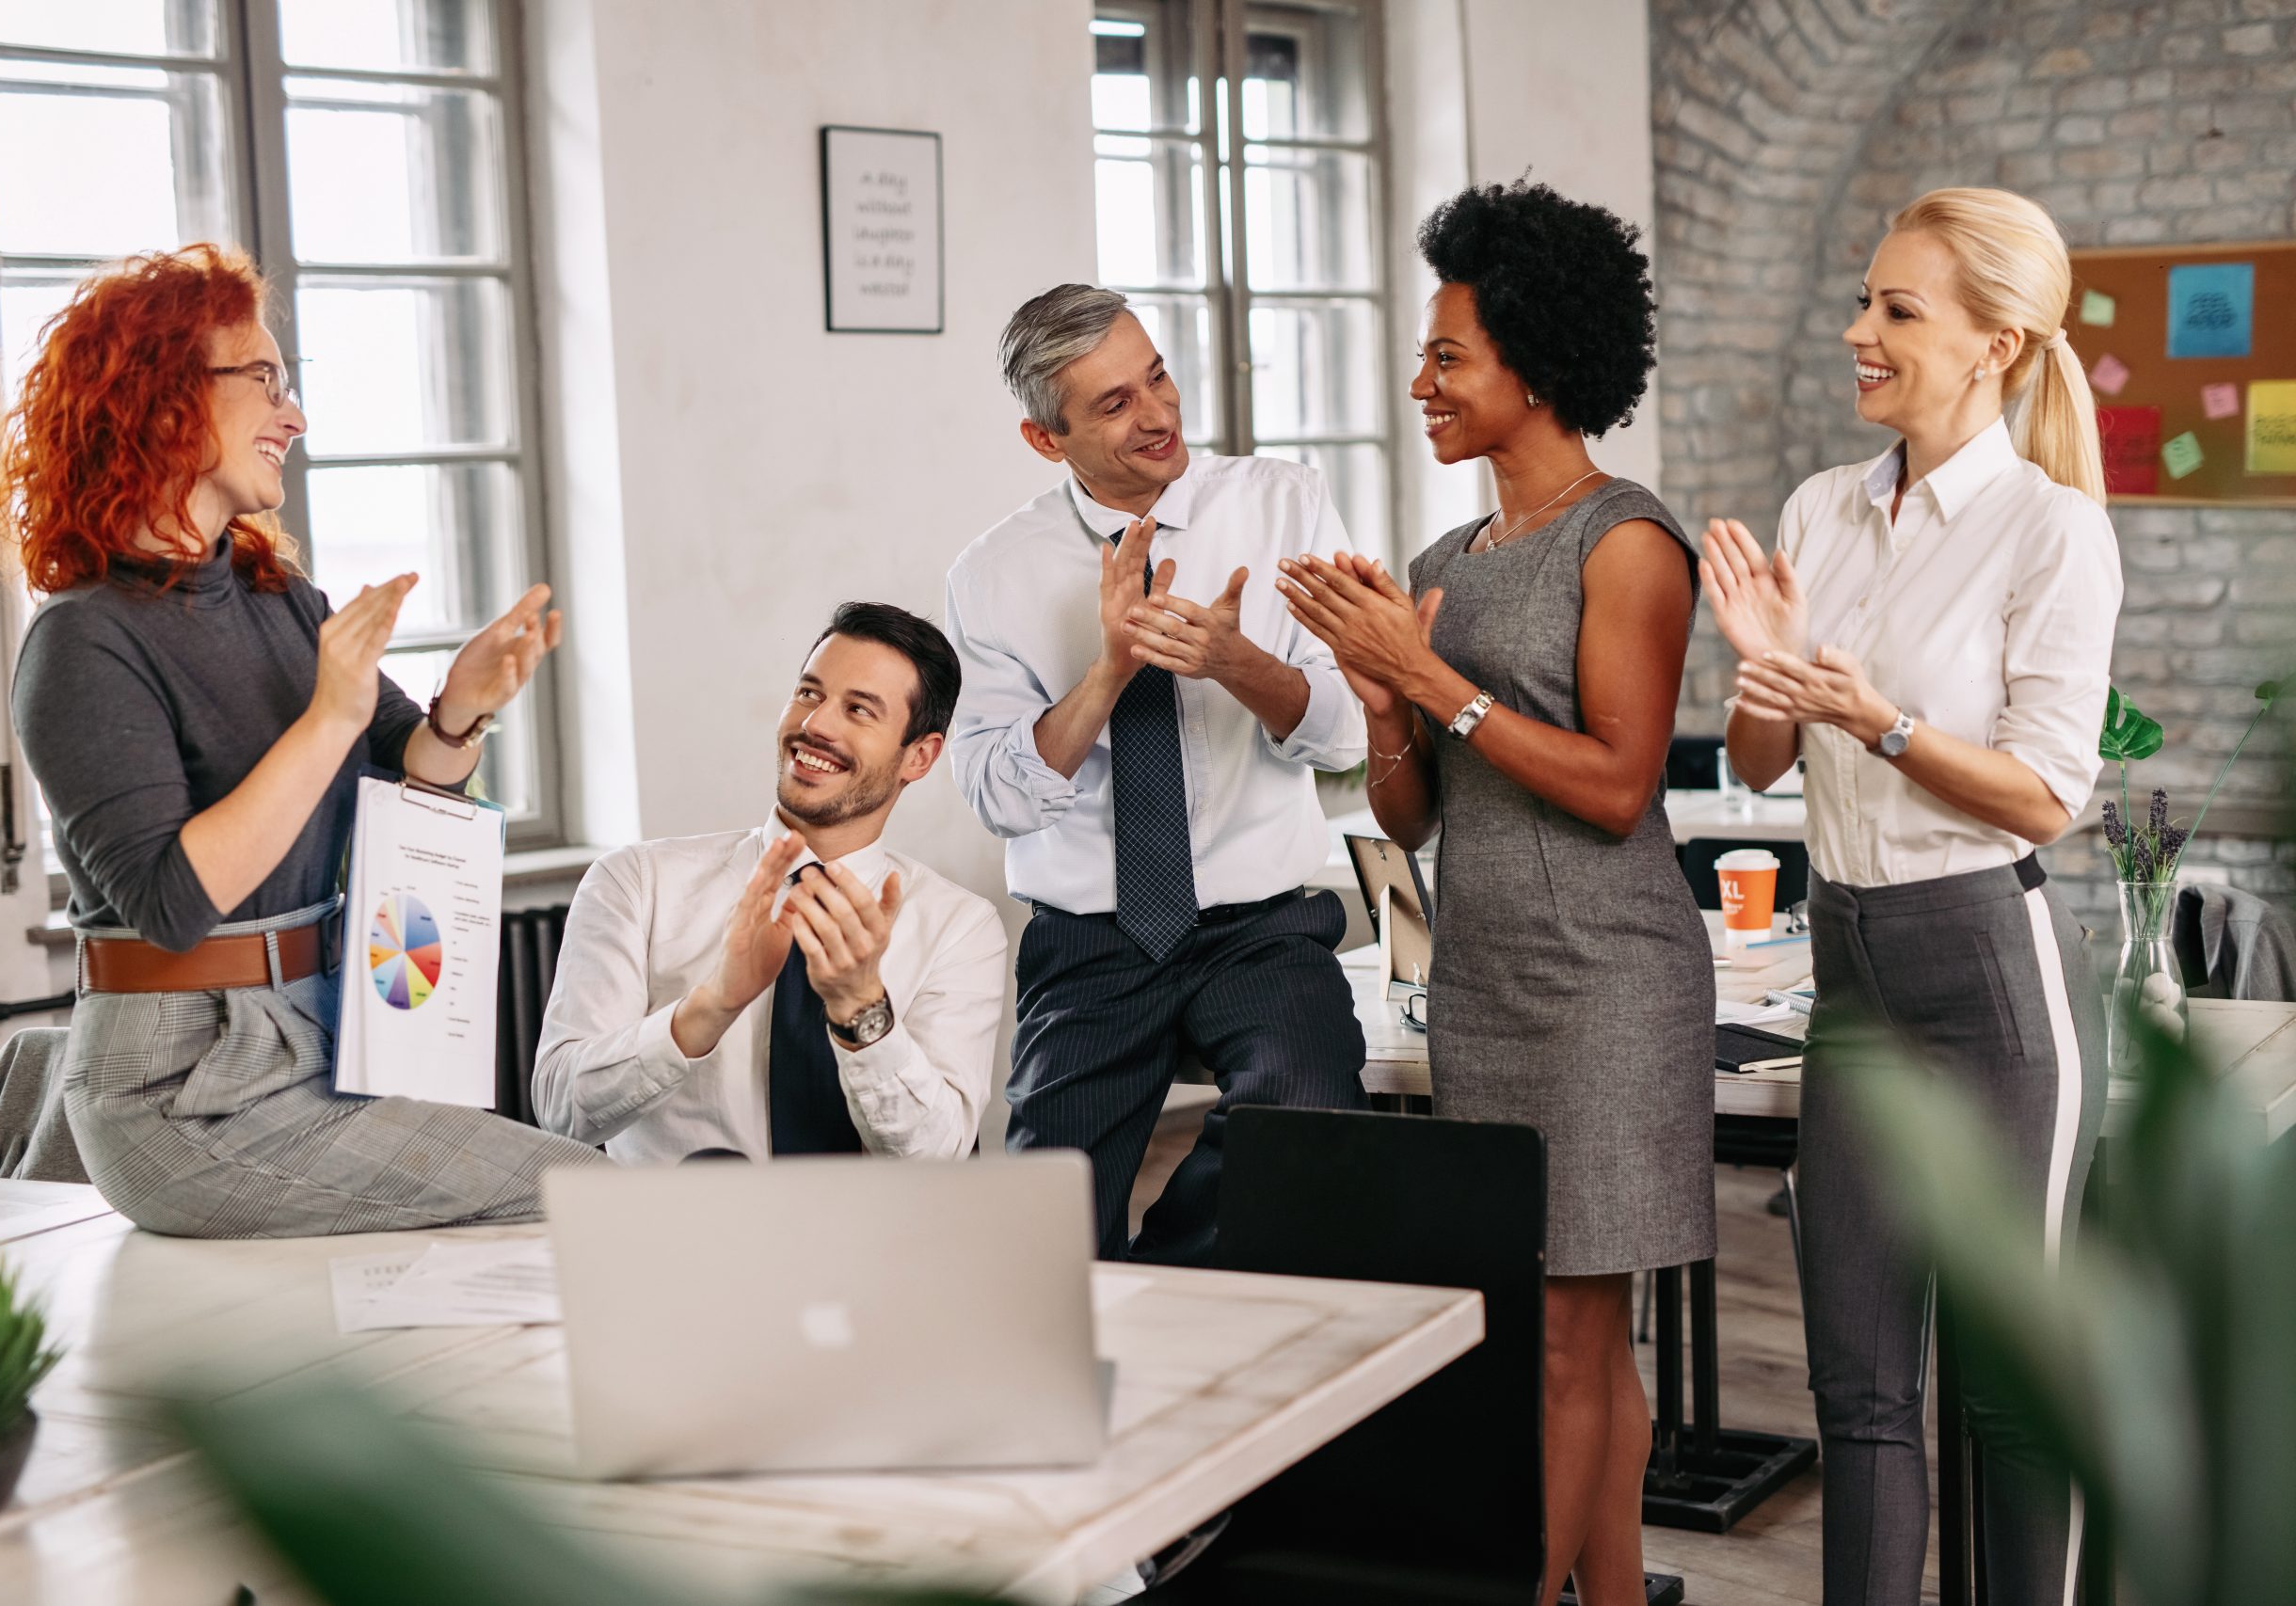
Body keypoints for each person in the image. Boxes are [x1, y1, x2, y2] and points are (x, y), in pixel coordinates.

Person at [1280, 180, 1711, 1606]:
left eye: (1449, 355)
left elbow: (1616, 787)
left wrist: (1431, 681)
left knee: (1566, 1343)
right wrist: (1379, 698)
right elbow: (1410, 813)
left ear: (1536, 364)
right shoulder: (1436, 568)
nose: (1422, 382)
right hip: (1485, 981)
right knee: (1567, 1332)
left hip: (1606, 986)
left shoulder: (1629, 542)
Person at [0, 245, 603, 1237]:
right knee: (590, 1199)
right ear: (159, 399)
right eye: (264, 380)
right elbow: (171, 905)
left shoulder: (278, 599)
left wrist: (460, 707)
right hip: (181, 1091)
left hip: (328, 1036)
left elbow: (411, 769)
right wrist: (328, 715)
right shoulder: (81, 639)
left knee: (576, 1194)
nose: (295, 416)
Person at [1701, 187, 2119, 1606]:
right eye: (1864, 301)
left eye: (1896, 309)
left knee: (2010, 1398)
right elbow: (1763, 757)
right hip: (1853, 972)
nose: (1857, 330)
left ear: (1994, 343)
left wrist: (1880, 722)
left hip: (1992, 976)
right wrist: (1761, 660)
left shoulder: (2050, 530)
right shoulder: (1823, 505)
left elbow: (2046, 793)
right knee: (1860, 1390)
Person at [944, 284, 1370, 1265]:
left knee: (1305, 1119)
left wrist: (1237, 664)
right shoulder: (993, 574)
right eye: (1114, 404)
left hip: (1260, 931)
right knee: (1043, 1237)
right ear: (1044, 441)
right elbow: (998, 797)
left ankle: (1159, 1287)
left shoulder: (1284, 506)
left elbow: (1350, 733)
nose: (1158, 416)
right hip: (1091, 944)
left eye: (1158, 376)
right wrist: (1107, 677)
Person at [533, 603, 1006, 1161]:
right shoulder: (636, 882)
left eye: (858, 710)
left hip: (868, 1242)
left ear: (919, 757)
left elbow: (940, 1163)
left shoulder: (959, 927)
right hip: (679, 1239)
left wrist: (862, 1009)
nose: (815, 725)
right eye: (809, 693)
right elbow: (561, 1112)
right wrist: (709, 1006)